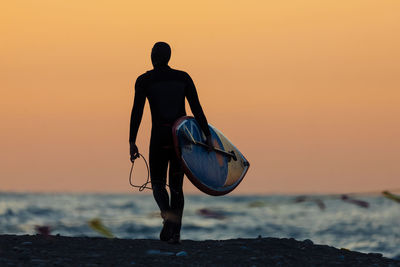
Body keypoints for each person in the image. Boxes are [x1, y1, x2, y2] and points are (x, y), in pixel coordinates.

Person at [129, 42, 212, 244]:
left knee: (157, 183)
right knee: (177, 186)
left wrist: (132, 141)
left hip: (159, 137)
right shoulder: (183, 78)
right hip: (181, 138)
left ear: (152, 56)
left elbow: (137, 111)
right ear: (169, 56)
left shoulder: (144, 80)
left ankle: (167, 216)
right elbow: (197, 109)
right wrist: (207, 135)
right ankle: (175, 234)